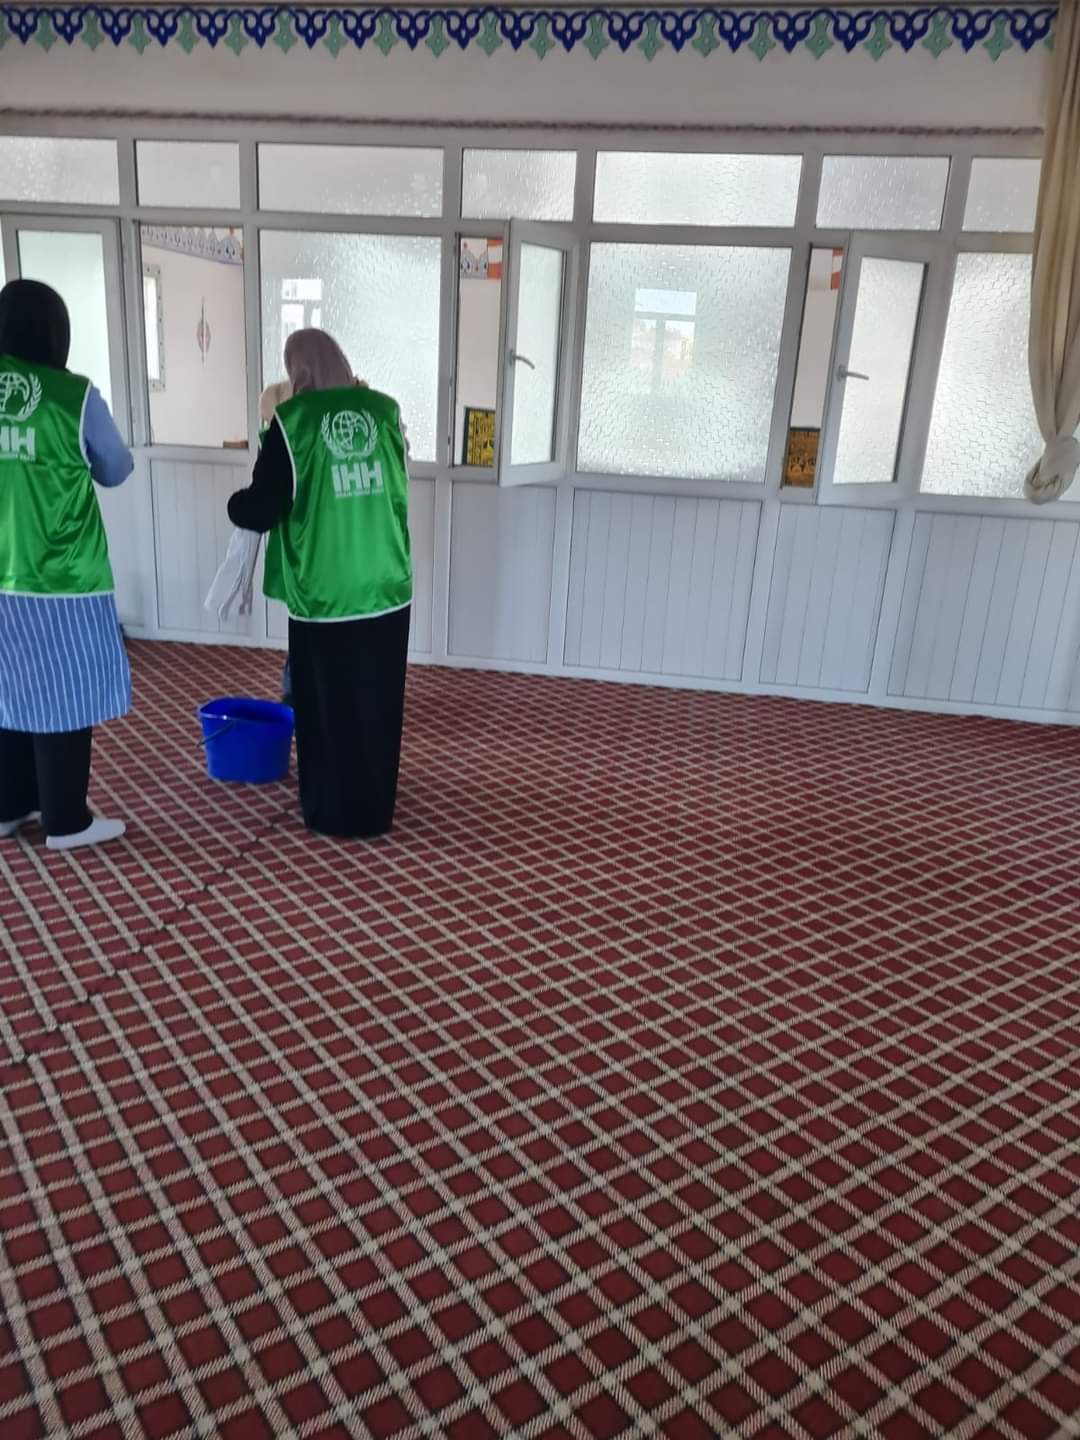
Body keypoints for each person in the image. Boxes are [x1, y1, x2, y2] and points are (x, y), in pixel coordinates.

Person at [228, 330, 411, 838]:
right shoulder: (385, 410)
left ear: (298, 371)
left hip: (326, 592)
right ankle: (374, 808)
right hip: (387, 584)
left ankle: (331, 810)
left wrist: (234, 505)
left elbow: (262, 506)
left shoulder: (294, 422)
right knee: (377, 699)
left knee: (326, 703)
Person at [0, 280, 134, 850]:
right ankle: (65, 820)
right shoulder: (72, 396)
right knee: (65, 692)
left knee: (7, 687)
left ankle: (10, 807)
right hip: (62, 577)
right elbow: (116, 467)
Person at [259, 378, 294, 706]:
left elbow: (263, 500)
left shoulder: (285, 438)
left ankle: (295, 691)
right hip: (302, 548)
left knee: (305, 624)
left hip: (299, 547)